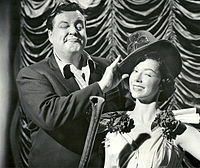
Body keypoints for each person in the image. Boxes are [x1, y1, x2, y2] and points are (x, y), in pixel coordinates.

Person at [16, 2, 132, 168]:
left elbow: (128, 110)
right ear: (50, 35)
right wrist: (100, 87)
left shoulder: (107, 67)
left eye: (80, 26)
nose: (74, 31)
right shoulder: (32, 75)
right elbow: (50, 115)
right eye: (64, 26)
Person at [101, 30, 200, 168]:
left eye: (148, 74)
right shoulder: (113, 125)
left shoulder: (176, 130)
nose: (138, 79)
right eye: (135, 71)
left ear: (162, 83)